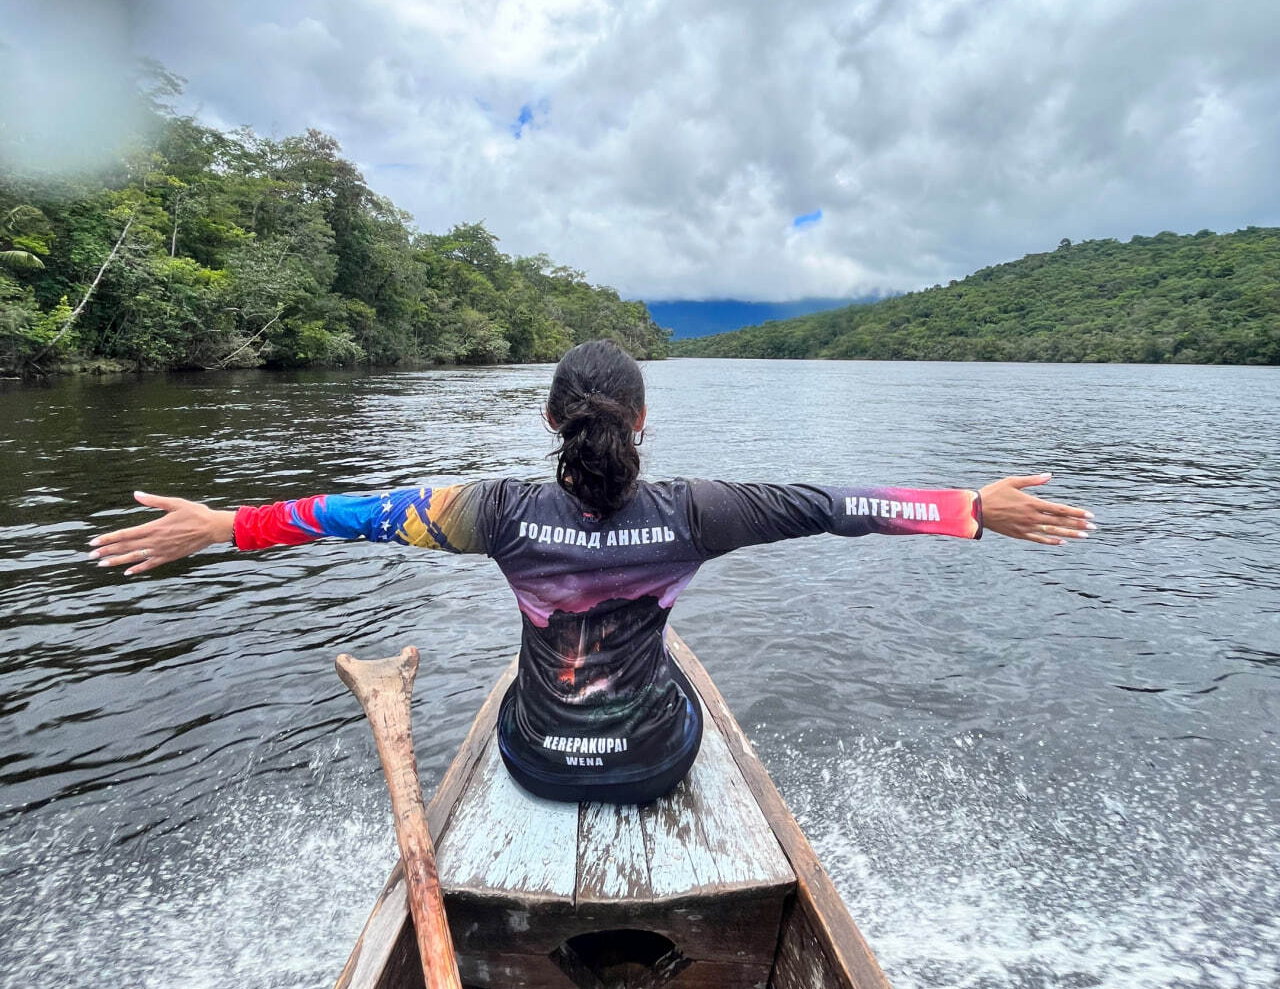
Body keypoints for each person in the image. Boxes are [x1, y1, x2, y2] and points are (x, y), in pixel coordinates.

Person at [91, 339, 1094, 804]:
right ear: (642, 420)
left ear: (548, 423)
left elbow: (342, 516)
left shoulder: (488, 510)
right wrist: (969, 507)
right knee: (679, 701)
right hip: (650, 762)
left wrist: (224, 523)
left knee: (535, 702)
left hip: (533, 759)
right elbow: (839, 508)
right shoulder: (700, 511)